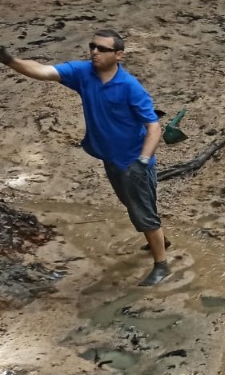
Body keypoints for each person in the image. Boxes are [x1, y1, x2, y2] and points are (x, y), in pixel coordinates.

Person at [0, 30, 170, 286]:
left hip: (134, 161)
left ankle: (162, 265)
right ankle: (159, 239)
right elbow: (43, 71)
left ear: (119, 55)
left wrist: (143, 161)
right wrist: (8, 59)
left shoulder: (130, 87)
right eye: (93, 47)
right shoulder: (83, 73)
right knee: (135, 206)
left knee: (142, 211)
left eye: (102, 49)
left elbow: (154, 127)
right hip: (111, 158)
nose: (95, 52)